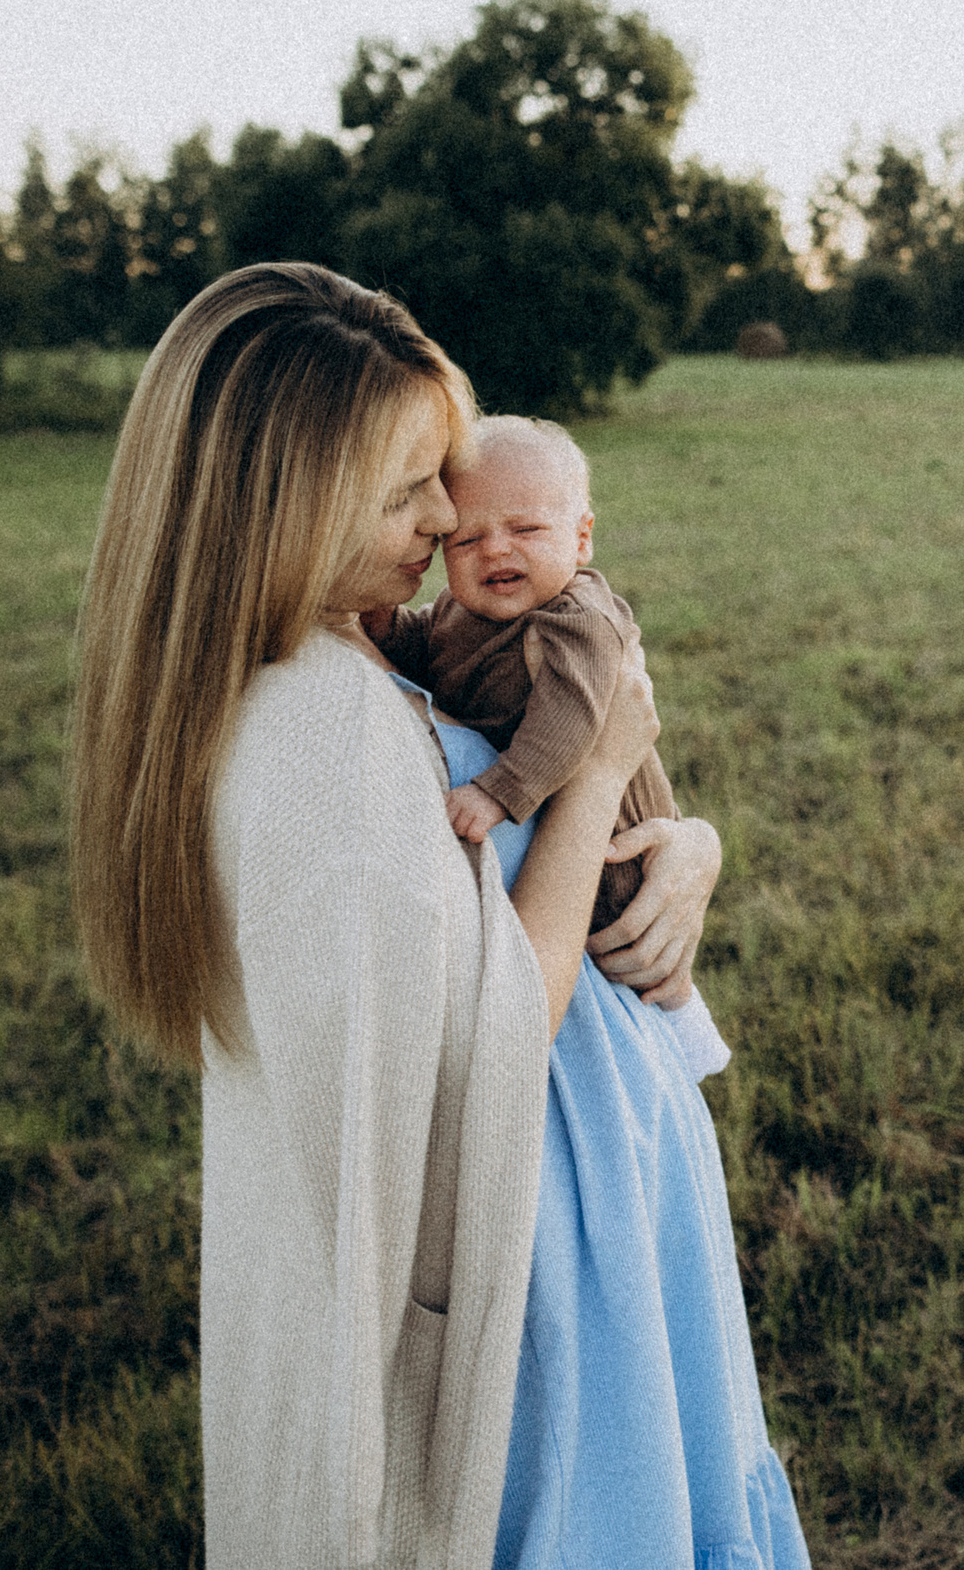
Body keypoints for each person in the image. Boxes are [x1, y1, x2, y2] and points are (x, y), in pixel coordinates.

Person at [69, 263, 798, 1568]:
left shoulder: (356, 648)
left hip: (605, 1218)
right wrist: (584, 785)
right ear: (280, 502)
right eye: (408, 489)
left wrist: (682, 838)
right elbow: (475, 1097)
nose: (448, 514)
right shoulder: (323, 744)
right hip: (543, 1284)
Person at [366, 416, 729, 1079]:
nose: (495, 550)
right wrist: (390, 629)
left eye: (526, 529)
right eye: (467, 537)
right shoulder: (459, 612)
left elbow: (571, 722)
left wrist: (498, 791)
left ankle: (686, 1031)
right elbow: (428, 650)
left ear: (581, 537)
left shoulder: (577, 619)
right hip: (555, 848)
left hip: (615, 835)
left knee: (637, 943)